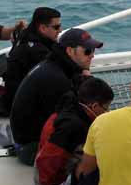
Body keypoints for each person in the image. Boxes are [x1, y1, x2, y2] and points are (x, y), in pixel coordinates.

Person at [9, 27, 103, 166]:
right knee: (98, 159)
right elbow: (70, 123)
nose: (92, 56)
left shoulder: (53, 65)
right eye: (87, 51)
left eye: (93, 51)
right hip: (31, 148)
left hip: (26, 139)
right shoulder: (57, 79)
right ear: (70, 51)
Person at [34, 77, 114, 185]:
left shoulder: (72, 109)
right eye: (106, 107)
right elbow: (47, 160)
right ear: (94, 106)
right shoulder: (71, 127)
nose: (108, 111)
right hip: (54, 178)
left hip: (59, 160)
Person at [4, 7, 62, 111]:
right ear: (43, 28)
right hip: (21, 105)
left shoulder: (25, 35)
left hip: (17, 95)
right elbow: (57, 74)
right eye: (56, 27)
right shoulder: (36, 50)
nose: (60, 30)